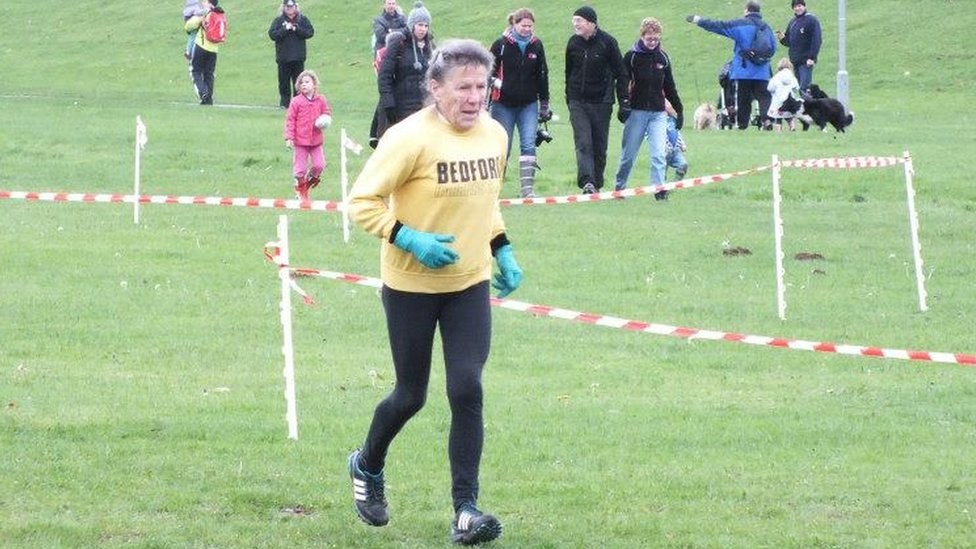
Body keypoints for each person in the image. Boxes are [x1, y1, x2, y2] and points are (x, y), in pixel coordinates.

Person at [345, 38, 521, 547]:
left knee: (467, 388)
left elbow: (486, 201)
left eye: (482, 86)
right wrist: (408, 238)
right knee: (411, 395)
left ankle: (466, 510)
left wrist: (503, 248)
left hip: (469, 283)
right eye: (463, 87)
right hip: (411, 286)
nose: (474, 97)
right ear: (436, 88)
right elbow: (361, 203)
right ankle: (366, 463)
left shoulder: (495, 134)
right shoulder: (407, 138)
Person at [612, 17, 683, 201]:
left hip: (658, 113)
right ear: (642, 36)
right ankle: (619, 188)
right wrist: (624, 104)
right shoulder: (632, 57)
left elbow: (669, 86)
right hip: (637, 112)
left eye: (656, 39)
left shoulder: (663, 58)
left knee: (659, 154)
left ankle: (659, 191)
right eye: (649, 39)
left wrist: (679, 110)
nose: (652, 42)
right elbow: (622, 82)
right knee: (628, 155)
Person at [564, 6, 628, 194]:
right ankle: (587, 183)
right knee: (583, 142)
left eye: (579, 21)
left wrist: (624, 101)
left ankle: (596, 183)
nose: (575, 24)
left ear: (591, 23)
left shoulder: (608, 43)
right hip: (577, 101)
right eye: (574, 21)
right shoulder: (573, 43)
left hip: (602, 101)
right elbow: (569, 72)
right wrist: (569, 96)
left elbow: (621, 74)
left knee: (599, 146)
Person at [489, 8, 550, 198]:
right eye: (523, 25)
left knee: (529, 145)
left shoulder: (536, 45)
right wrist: (499, 85)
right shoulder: (501, 44)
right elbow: (488, 72)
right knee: (502, 147)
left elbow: (543, 74)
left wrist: (544, 103)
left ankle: (527, 191)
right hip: (502, 104)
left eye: (530, 26)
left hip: (528, 105)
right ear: (514, 24)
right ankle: (493, 190)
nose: (527, 29)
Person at [687, 1, 775, 130]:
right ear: (758, 11)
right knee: (764, 97)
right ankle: (766, 120)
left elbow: (719, 26)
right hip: (762, 70)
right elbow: (773, 47)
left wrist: (698, 20)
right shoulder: (766, 27)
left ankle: (742, 125)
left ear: (747, 10)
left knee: (743, 99)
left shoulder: (741, 24)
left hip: (744, 70)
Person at [376, 2, 435, 133]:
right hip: (401, 107)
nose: (423, 29)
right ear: (412, 25)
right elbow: (384, 76)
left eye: (426, 25)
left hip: (425, 106)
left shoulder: (430, 47)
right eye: (420, 25)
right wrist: (388, 103)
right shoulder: (398, 43)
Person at [284, 70, 332, 203]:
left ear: (314, 84)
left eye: (307, 82)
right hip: (300, 142)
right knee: (300, 169)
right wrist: (289, 138)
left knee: (319, 165)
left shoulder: (321, 100)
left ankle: (309, 182)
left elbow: (327, 112)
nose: (304, 84)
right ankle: (301, 189)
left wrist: (325, 120)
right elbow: (290, 120)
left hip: (316, 141)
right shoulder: (296, 101)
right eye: (301, 83)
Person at [269, 0, 315, 109]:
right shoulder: (279, 21)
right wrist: (285, 29)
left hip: (298, 57)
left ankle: (298, 103)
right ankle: (284, 103)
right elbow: (272, 35)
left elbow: (310, 32)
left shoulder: (302, 19)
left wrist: (296, 29)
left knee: (298, 82)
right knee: (283, 82)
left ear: (295, 7)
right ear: (284, 7)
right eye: (287, 7)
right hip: (283, 57)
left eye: (291, 6)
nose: (289, 9)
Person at [775, 0, 822, 94]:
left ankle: (808, 103)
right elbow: (789, 42)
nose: (797, 8)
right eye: (795, 7)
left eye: (799, 6)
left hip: (806, 61)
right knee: (796, 88)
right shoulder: (793, 22)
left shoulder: (811, 20)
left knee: (804, 88)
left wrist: (812, 57)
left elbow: (816, 40)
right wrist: (782, 39)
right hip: (794, 61)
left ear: (804, 6)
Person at [184, 0, 225, 105]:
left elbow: (188, 26)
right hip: (214, 49)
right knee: (209, 74)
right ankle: (208, 99)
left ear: (209, 3)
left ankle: (203, 92)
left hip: (201, 46)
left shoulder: (206, 13)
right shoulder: (219, 14)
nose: (203, 3)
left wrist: (196, 20)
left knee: (195, 71)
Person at [766, 57, 802, 131]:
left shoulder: (776, 77)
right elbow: (796, 88)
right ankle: (792, 127)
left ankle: (779, 130)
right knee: (789, 116)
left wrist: (773, 92)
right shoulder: (792, 77)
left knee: (778, 117)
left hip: (778, 100)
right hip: (789, 100)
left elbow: (770, 88)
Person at [664, 101, 688, 181]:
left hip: (676, 150)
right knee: (661, 170)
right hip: (664, 151)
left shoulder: (673, 120)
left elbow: (677, 133)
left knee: (683, 165)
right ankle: (661, 185)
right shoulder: (657, 122)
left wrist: (682, 144)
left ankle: (676, 183)